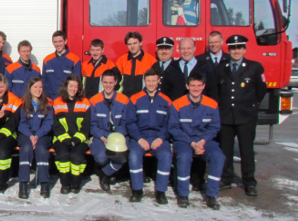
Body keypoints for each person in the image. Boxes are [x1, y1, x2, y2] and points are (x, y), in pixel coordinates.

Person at [216, 34, 266, 197]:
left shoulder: (254, 67)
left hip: (246, 116)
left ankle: (249, 182)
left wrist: (250, 105)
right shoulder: (221, 68)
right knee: (226, 150)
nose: (236, 51)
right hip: (226, 117)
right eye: (233, 48)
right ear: (229, 49)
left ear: (244, 49)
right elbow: (218, 91)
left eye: (239, 47)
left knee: (246, 151)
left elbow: (261, 90)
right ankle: (227, 178)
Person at [168, 73, 225, 210]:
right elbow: (174, 128)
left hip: (204, 141)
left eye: (199, 85)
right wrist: (192, 143)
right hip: (183, 140)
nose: (196, 88)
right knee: (184, 156)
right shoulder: (178, 104)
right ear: (187, 86)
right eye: (193, 85)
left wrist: (203, 141)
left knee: (218, 157)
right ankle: (183, 194)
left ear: (204, 86)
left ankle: (211, 195)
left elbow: (214, 127)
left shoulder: (212, 104)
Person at [126, 68, 172, 204]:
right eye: (148, 81)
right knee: (134, 155)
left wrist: (161, 138)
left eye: (154, 81)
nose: (151, 84)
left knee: (166, 155)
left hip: (159, 137)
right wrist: (139, 138)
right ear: (144, 81)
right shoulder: (135, 99)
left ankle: (161, 191)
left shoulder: (166, 101)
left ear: (158, 81)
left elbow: (169, 123)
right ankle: (137, 190)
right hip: (140, 137)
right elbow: (130, 122)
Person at [89, 69, 129, 192]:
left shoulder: (124, 100)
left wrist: (115, 138)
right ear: (101, 82)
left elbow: (126, 123)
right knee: (101, 157)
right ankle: (108, 169)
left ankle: (105, 174)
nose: (108, 85)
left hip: (119, 137)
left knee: (123, 156)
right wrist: (102, 136)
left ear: (116, 82)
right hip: (101, 136)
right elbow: (92, 124)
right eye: (105, 82)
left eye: (111, 82)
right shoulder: (94, 100)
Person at [52, 74, 90, 194]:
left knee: (76, 156)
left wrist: (76, 140)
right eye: (71, 86)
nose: (73, 89)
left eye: (76, 87)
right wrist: (66, 139)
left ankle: (75, 183)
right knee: (63, 155)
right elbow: (56, 125)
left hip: (80, 139)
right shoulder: (57, 102)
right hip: (61, 138)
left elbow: (86, 126)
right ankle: (65, 184)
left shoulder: (85, 102)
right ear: (66, 86)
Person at [17, 77, 53, 199]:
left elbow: (48, 123)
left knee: (42, 149)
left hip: (42, 135)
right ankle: (23, 183)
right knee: (26, 149)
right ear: (30, 88)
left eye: (40, 87)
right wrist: (31, 136)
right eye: (35, 87)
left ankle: (44, 183)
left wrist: (37, 135)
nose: (38, 90)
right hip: (26, 135)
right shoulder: (23, 104)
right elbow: (21, 123)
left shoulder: (47, 104)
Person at [42, 30, 81, 100]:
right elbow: (44, 80)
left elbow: (76, 82)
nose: (58, 44)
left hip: (66, 99)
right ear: (53, 43)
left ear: (65, 41)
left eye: (60, 41)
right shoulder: (47, 60)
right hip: (50, 99)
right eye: (55, 42)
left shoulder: (74, 59)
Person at [116, 32, 156, 98]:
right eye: (129, 44)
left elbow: (155, 83)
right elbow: (115, 82)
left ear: (140, 43)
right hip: (125, 100)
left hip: (143, 100)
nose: (132, 46)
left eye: (135, 43)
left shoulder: (151, 61)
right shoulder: (121, 60)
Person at [151, 37, 185, 101]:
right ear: (157, 50)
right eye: (161, 49)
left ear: (172, 50)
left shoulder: (178, 67)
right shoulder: (154, 66)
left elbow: (179, 92)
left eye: (167, 49)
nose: (164, 51)